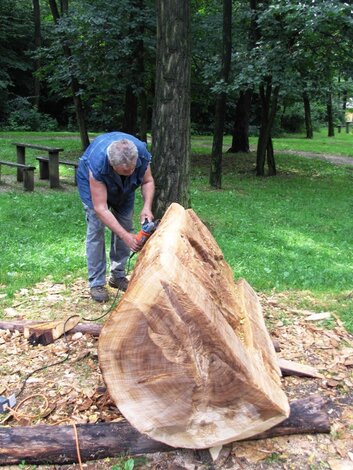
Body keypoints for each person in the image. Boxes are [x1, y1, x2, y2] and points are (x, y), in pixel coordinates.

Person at [76, 132, 155, 302]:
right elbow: (101, 208)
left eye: (132, 169)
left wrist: (147, 207)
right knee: (96, 229)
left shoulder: (140, 153)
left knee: (126, 223)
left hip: (125, 190)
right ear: (112, 164)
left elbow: (147, 181)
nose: (130, 172)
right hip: (93, 188)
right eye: (124, 171)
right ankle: (96, 283)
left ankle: (117, 276)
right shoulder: (96, 165)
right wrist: (126, 237)